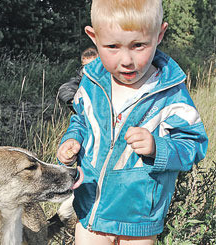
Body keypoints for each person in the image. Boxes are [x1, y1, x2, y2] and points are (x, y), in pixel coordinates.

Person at [57, 0, 208, 244]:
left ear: (159, 35)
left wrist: (157, 148)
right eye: (112, 46)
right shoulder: (92, 82)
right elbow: (82, 120)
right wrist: (71, 140)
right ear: (94, 38)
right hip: (90, 210)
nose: (126, 59)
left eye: (138, 45)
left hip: (139, 220)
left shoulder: (170, 93)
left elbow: (194, 144)